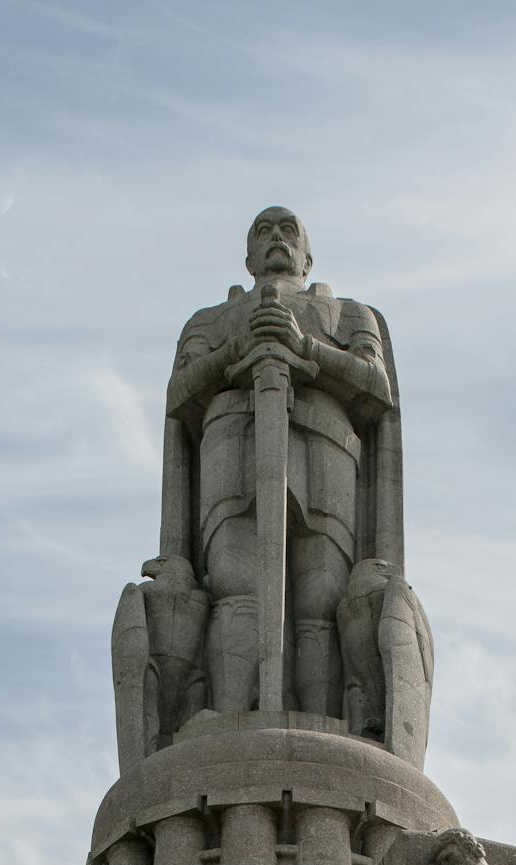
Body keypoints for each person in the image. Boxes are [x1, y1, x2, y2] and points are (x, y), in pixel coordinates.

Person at [161, 207, 399, 715]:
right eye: (262, 232)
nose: (275, 239)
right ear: (248, 256)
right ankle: (227, 718)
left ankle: (322, 718)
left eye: (287, 230)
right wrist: (237, 349)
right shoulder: (209, 322)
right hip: (233, 443)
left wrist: (305, 346)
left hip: (325, 447)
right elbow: (179, 395)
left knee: (322, 597)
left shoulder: (351, 315)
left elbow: (376, 387)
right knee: (234, 585)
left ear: (307, 255)